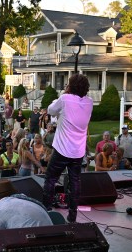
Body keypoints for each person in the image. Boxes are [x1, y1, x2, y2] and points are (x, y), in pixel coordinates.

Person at [42, 74, 93, 223]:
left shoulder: (65, 99)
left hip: (62, 149)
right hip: (78, 151)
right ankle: (72, 215)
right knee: (75, 181)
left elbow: (51, 110)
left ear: (70, 86)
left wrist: (64, 94)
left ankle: (47, 210)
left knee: (50, 179)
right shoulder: (89, 102)